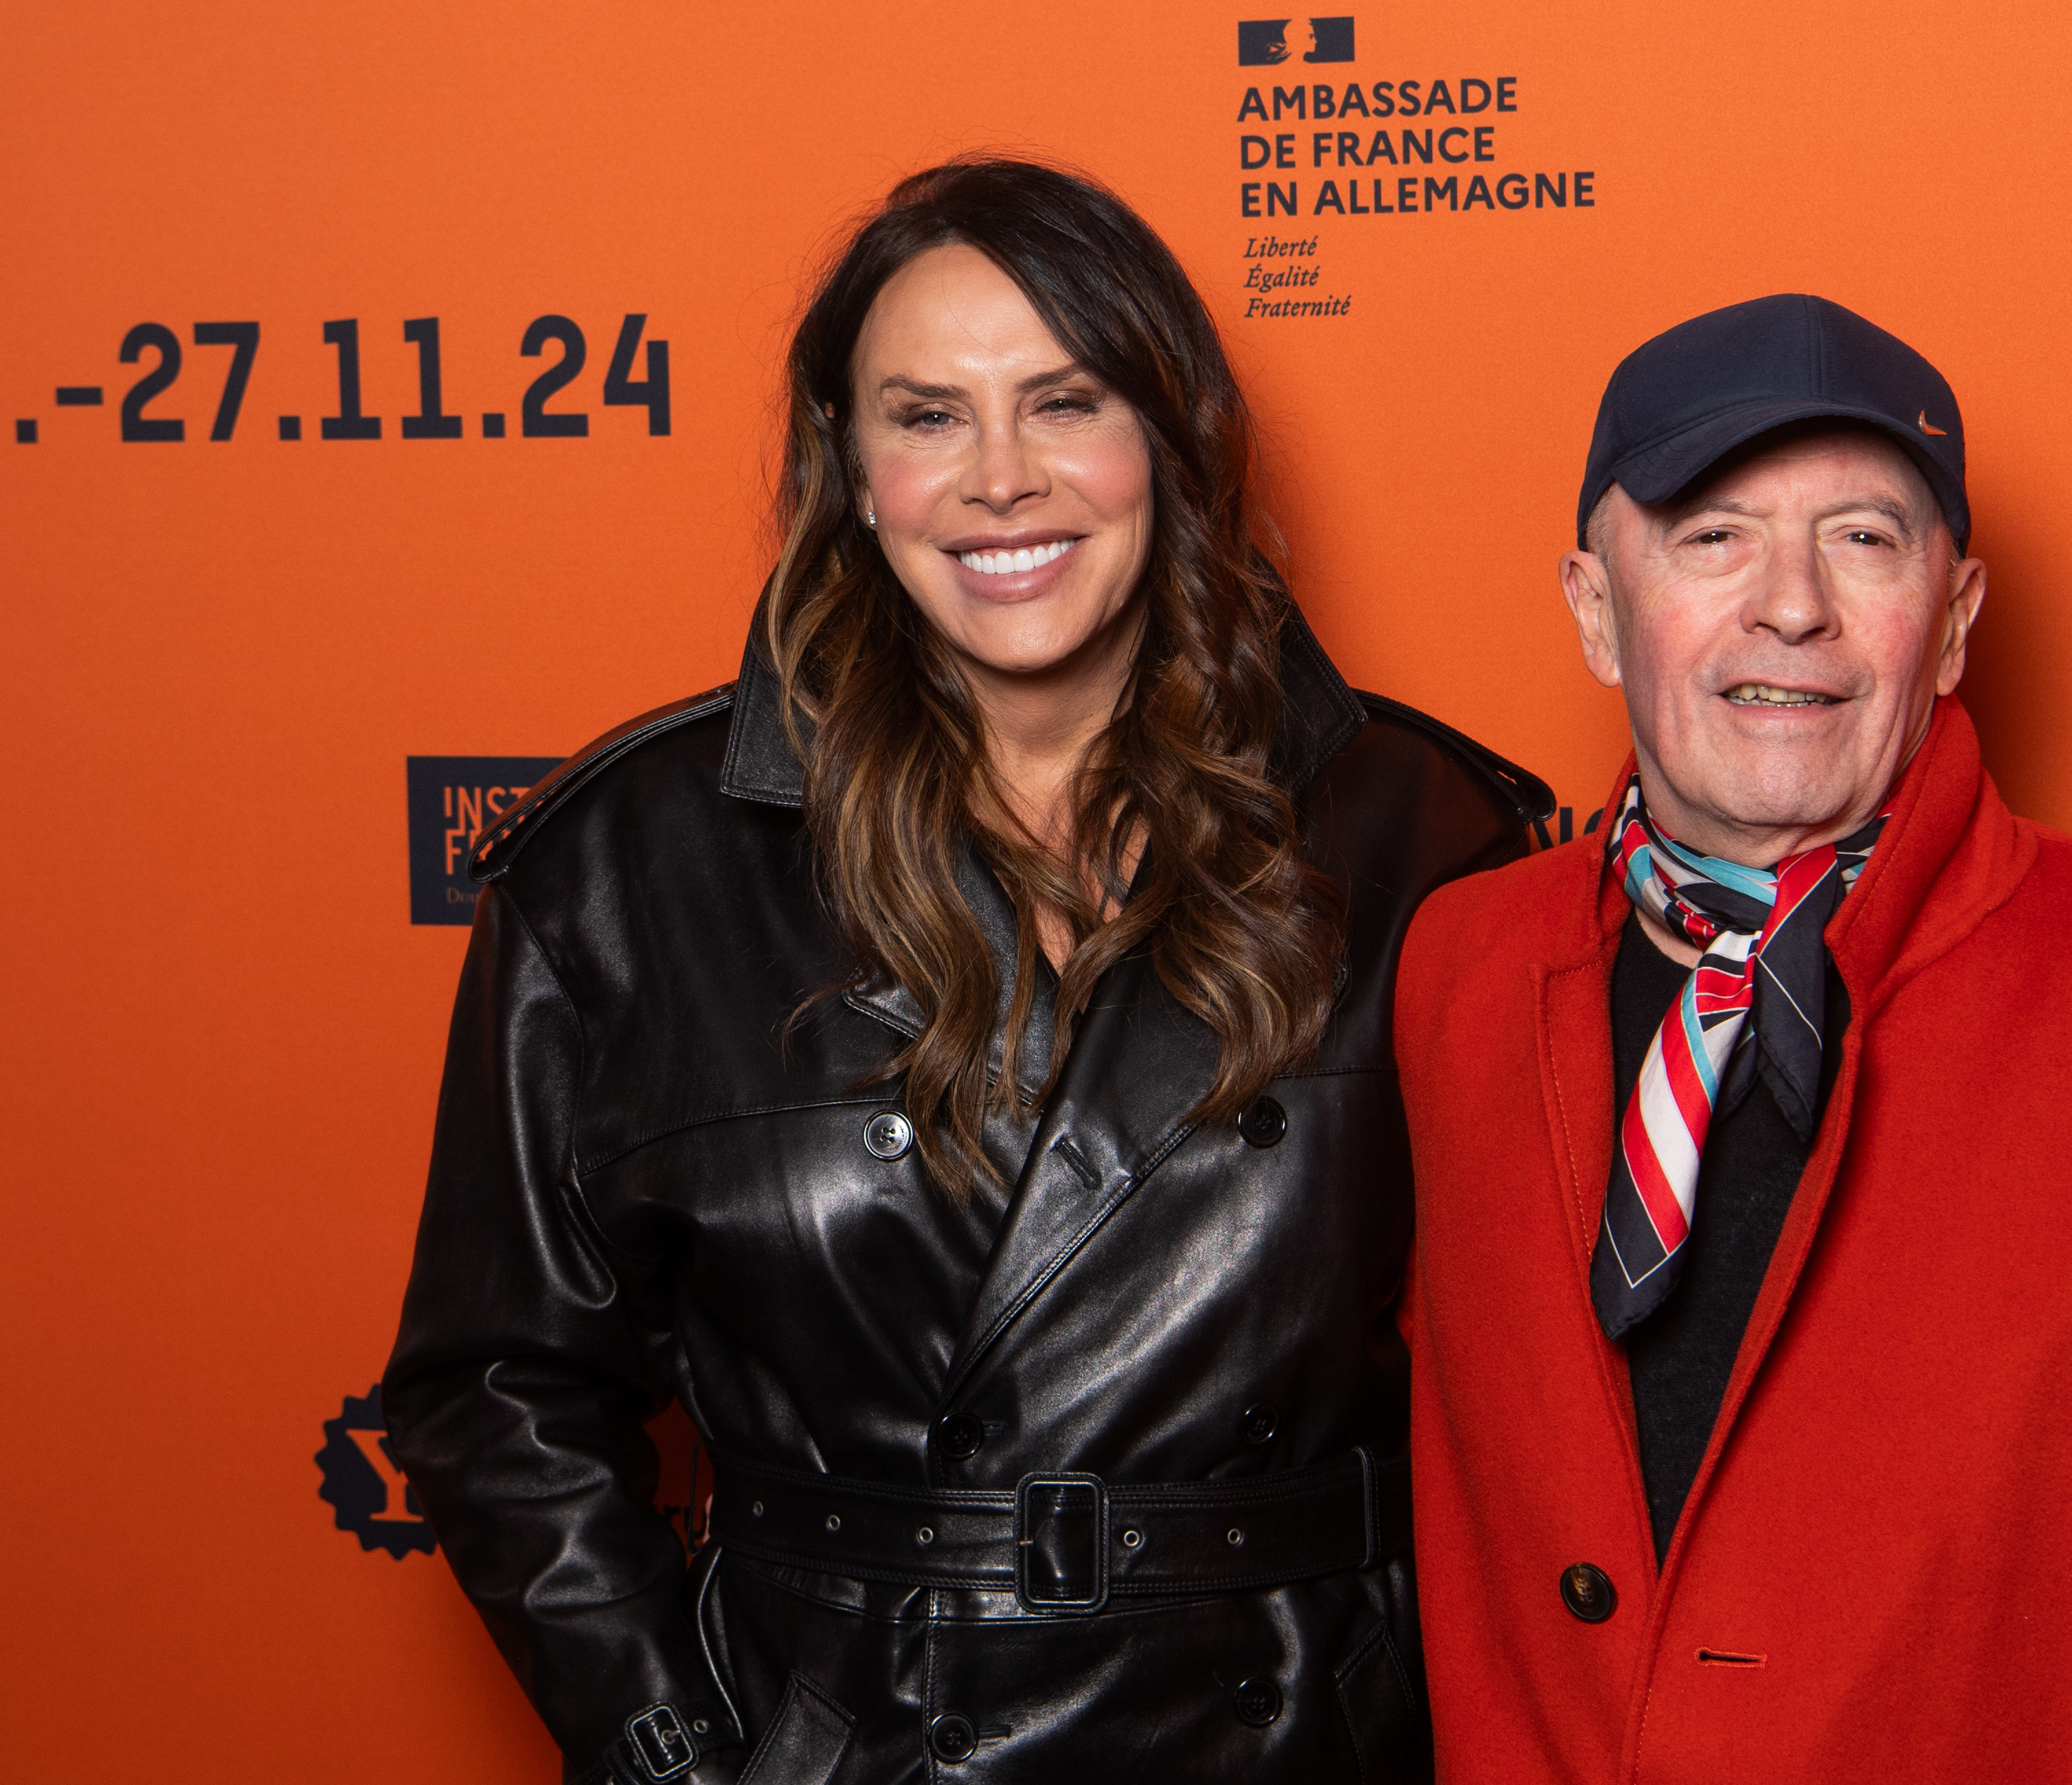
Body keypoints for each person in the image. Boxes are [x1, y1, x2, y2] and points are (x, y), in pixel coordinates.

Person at [383, 157, 1543, 1785]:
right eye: (926, 417)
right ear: (851, 474)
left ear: (1169, 441)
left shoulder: (1428, 834)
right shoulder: (631, 866)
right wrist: (672, 1755)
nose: (1000, 480)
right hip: (844, 1740)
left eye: (1064, 401)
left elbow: (1557, 1388)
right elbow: (493, 1388)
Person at [1393, 295, 2072, 1782]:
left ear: (1952, 623)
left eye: (1864, 539)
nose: (1790, 606)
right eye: (1711, 536)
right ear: (1591, 607)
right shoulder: (1448, 971)